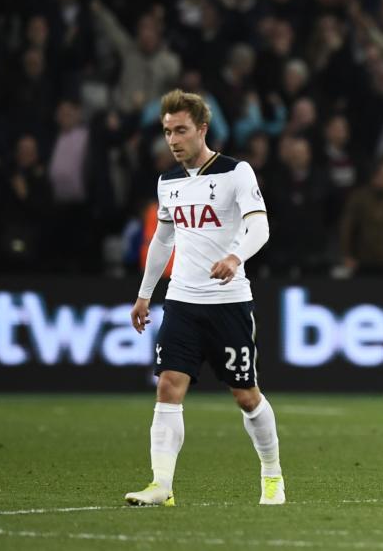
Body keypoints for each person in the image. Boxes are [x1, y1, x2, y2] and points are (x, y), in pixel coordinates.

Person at [125, 89, 284, 506]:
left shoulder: (236, 172)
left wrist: (235, 256)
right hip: (181, 302)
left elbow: (261, 228)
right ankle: (162, 485)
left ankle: (272, 475)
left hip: (229, 302)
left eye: (181, 130)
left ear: (202, 129)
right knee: (168, 388)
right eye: (167, 132)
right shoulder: (168, 182)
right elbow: (162, 240)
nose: (173, 140)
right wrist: (145, 295)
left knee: (246, 396)